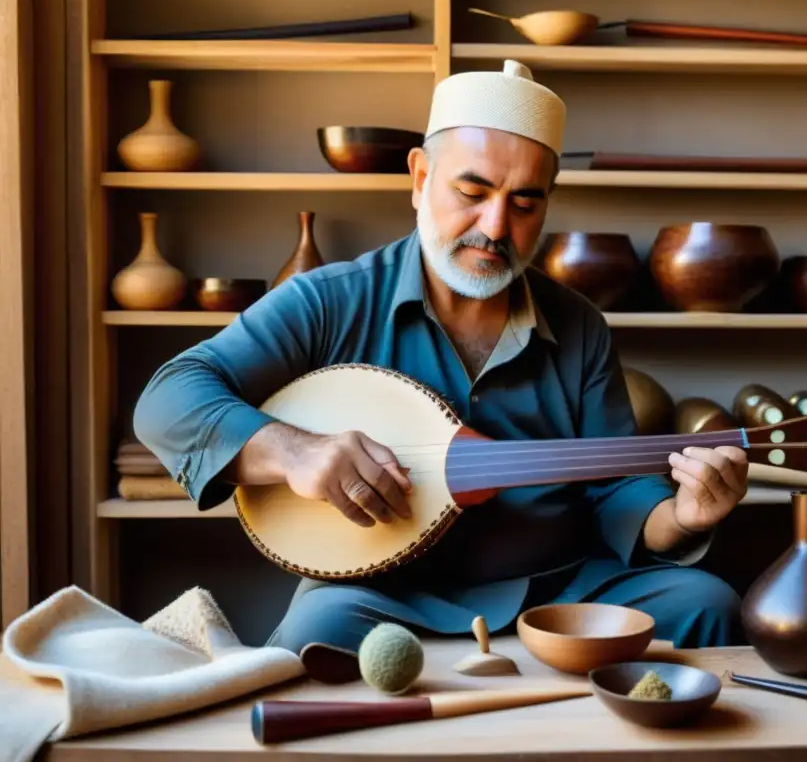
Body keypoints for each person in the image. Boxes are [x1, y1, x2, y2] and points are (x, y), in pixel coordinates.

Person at [133, 59, 750, 681]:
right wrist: (295, 451)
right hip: (382, 593)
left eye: (525, 203)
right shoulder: (330, 301)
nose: (496, 227)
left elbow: (617, 485)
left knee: (704, 604)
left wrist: (681, 517)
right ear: (420, 176)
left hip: (560, 590)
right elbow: (169, 396)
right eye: (472, 193)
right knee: (314, 635)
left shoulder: (579, 324)